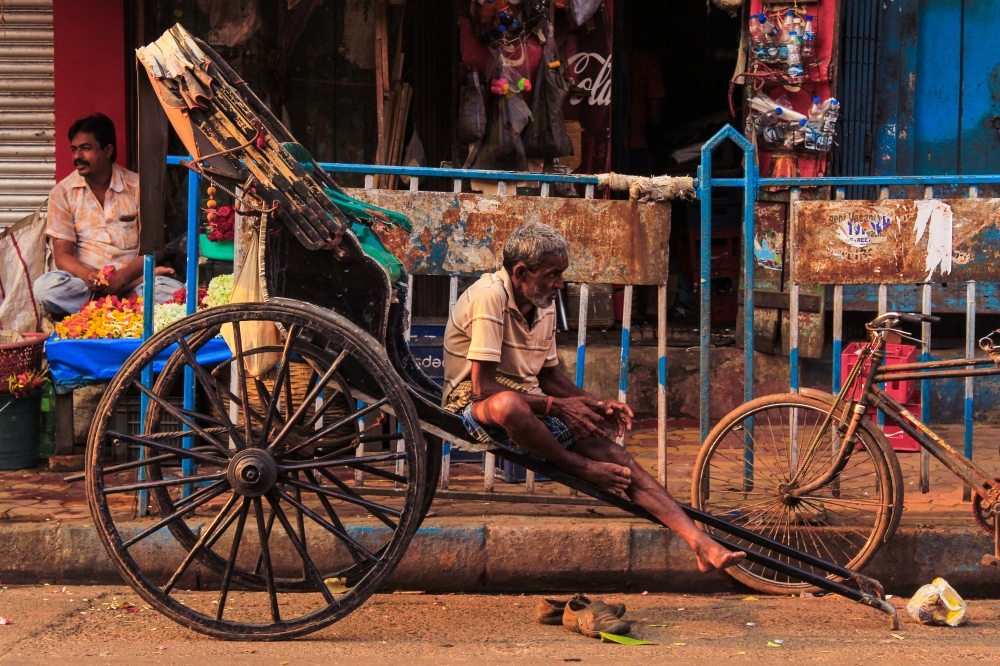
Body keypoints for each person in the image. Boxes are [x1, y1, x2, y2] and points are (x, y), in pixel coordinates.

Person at [443, 222, 746, 573]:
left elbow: (549, 376)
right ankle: (580, 467)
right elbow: (484, 387)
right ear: (521, 272)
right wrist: (558, 407)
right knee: (510, 404)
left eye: (561, 274)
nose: (559, 283)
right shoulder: (489, 296)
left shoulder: (542, 300)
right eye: (553, 274)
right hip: (475, 403)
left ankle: (701, 544)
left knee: (618, 459)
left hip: (532, 402)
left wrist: (592, 404)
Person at [33, 113, 182, 317]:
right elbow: (62, 256)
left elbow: (157, 249)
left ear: (108, 150)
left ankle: (104, 307)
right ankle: (120, 306)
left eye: (86, 148)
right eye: (74, 149)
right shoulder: (62, 193)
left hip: (133, 281)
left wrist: (124, 277)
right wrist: (88, 276)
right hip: (87, 287)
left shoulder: (138, 188)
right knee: (45, 288)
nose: (77, 156)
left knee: (173, 293)